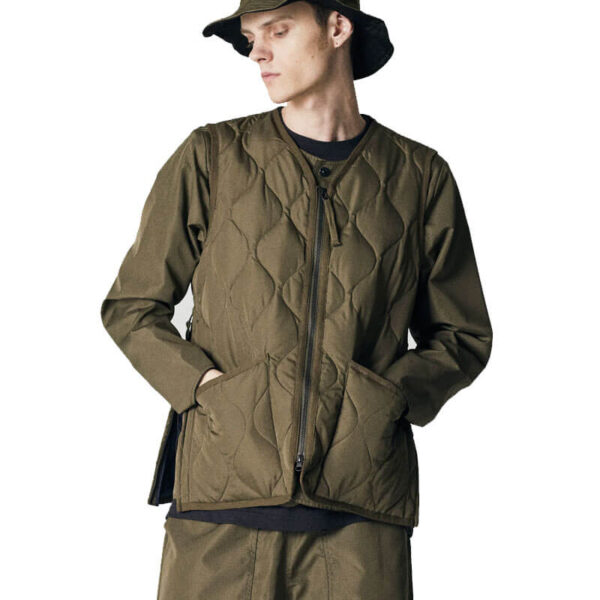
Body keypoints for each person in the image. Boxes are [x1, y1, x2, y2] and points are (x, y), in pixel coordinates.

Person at [100, 1, 493, 598]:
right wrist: (205, 387)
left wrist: (385, 400)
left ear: (337, 28)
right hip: (220, 503)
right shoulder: (212, 156)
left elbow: (462, 335)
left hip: (360, 515)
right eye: (250, 38)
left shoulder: (419, 175)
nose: (257, 52)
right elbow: (132, 306)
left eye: (278, 32)